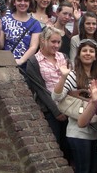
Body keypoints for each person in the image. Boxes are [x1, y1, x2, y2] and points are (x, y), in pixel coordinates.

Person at [52, 40, 97, 173]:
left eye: (91, 51)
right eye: (84, 51)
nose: (88, 53)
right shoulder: (73, 75)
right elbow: (57, 97)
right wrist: (64, 75)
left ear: (96, 55)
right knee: (83, 171)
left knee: (94, 171)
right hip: (77, 131)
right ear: (79, 55)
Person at [24, 27, 70, 160]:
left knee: (68, 146)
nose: (56, 45)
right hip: (50, 110)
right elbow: (40, 89)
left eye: (58, 42)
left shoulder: (63, 57)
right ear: (43, 40)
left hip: (67, 107)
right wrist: (56, 111)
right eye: (53, 42)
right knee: (55, 145)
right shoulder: (34, 61)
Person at [0, 0, 42, 68]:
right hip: (6, 63)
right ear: (14, 2)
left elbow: (33, 47)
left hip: (25, 65)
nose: (23, 3)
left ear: (29, 3)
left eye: (26, 1)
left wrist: (21, 60)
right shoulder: (4, 20)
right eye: (19, 0)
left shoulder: (35, 24)